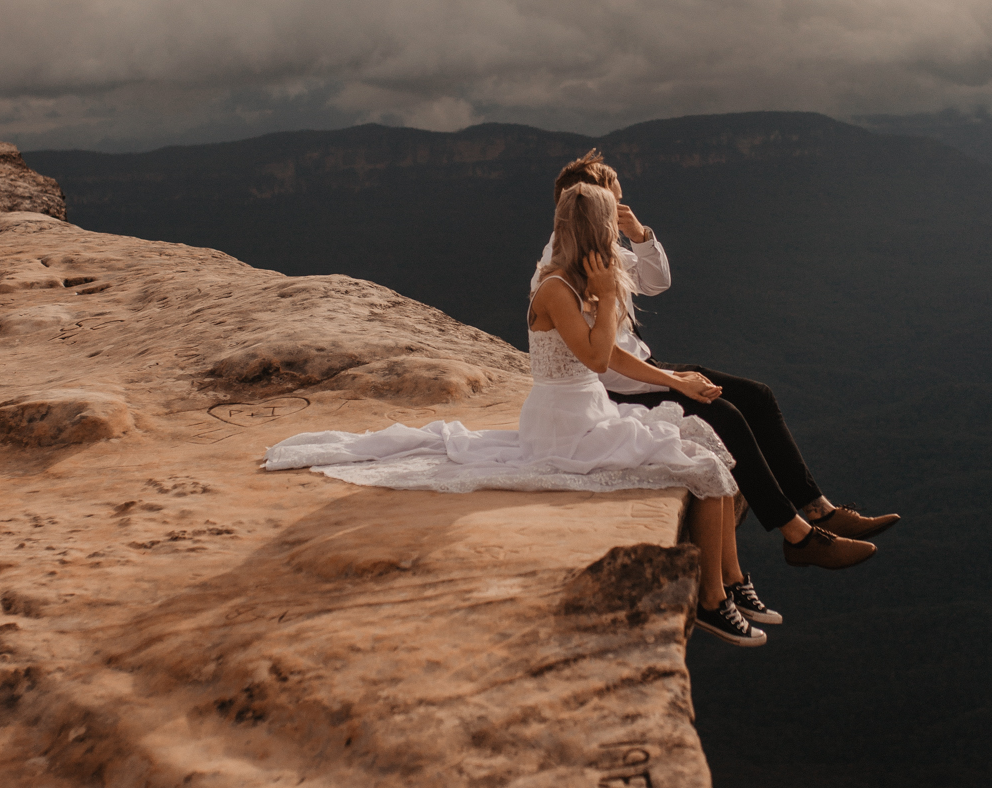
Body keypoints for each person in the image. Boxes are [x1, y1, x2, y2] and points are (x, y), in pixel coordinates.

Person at [263, 182, 770, 648]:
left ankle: (729, 582)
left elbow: (611, 355)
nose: (616, 235)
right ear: (596, 231)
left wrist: (676, 382)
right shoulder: (556, 289)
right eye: (610, 227)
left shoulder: (579, 283)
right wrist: (612, 291)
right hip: (566, 426)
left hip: (587, 410)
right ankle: (710, 602)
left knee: (707, 443)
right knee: (706, 467)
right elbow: (597, 358)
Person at [534, 150, 899, 622]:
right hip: (618, 384)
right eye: (615, 204)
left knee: (757, 396)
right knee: (724, 417)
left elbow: (657, 281)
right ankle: (798, 536)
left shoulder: (603, 251)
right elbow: (600, 361)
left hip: (640, 366)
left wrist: (639, 234)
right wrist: (672, 382)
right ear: (588, 206)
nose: (621, 211)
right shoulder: (560, 269)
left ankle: (819, 508)